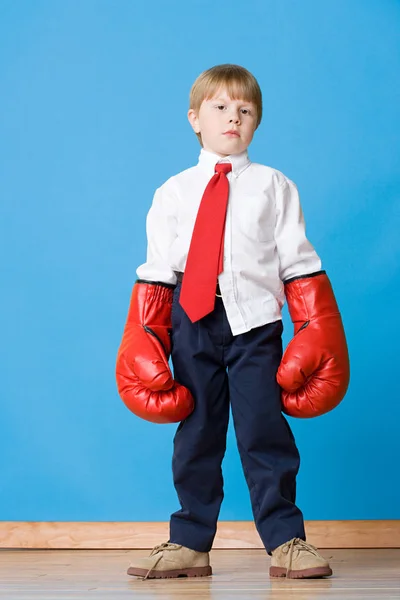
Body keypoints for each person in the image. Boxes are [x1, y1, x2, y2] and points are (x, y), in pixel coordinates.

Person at [116, 64, 349, 580]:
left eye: (245, 111)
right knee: (196, 431)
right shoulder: (173, 191)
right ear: (195, 119)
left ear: (256, 122)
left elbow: (296, 260)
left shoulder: (274, 186)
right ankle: (189, 542)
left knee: (263, 428)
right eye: (221, 108)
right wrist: (146, 332)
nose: (233, 118)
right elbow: (159, 267)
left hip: (256, 326)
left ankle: (287, 540)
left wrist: (316, 324)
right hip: (191, 322)